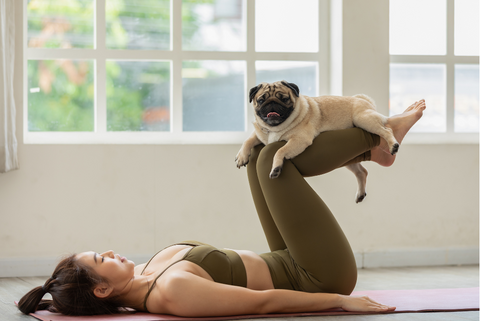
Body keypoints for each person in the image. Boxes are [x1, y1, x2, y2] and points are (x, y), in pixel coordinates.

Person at [18, 100, 426, 317]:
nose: (107, 251)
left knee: (263, 156)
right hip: (317, 276)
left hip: (288, 257)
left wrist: (55, 298)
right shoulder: (171, 294)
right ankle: (377, 140)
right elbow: (263, 304)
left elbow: (74, 295)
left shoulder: (146, 273)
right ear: (103, 289)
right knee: (271, 161)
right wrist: (339, 300)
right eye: (99, 259)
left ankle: (375, 147)